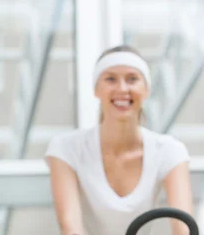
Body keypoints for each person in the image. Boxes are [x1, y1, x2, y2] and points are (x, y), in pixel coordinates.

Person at [45, 45, 193, 235]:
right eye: (110, 79)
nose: (122, 89)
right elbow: (70, 228)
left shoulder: (170, 151)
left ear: (146, 89)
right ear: (96, 90)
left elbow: (183, 228)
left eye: (132, 79)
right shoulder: (65, 148)